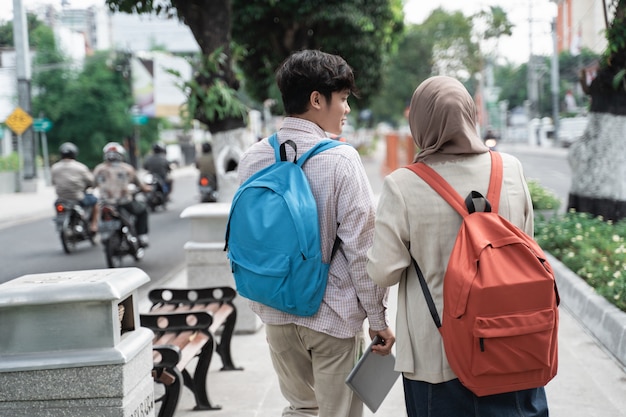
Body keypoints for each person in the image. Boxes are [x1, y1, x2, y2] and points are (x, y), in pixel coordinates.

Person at [366, 76, 548, 416]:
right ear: (470, 115)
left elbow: (384, 271)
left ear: (419, 123)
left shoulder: (403, 185)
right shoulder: (510, 169)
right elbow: (526, 241)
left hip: (437, 357)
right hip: (511, 344)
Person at [236, 49, 394, 417]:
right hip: (332, 318)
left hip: (275, 312)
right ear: (316, 99)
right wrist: (378, 318)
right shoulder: (341, 159)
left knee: (301, 408)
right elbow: (361, 249)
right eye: (342, 99)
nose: (347, 109)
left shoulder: (254, 157)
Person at [93, 142, 152, 247]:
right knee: (143, 210)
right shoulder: (127, 169)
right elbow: (140, 185)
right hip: (124, 202)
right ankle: (142, 236)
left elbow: (93, 184)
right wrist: (146, 188)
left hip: (105, 203)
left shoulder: (99, 169)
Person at [50, 142, 99, 233]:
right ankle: (93, 225)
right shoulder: (80, 167)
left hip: (61, 199)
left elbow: (53, 182)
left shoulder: (54, 167)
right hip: (78, 198)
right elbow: (91, 181)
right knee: (95, 201)